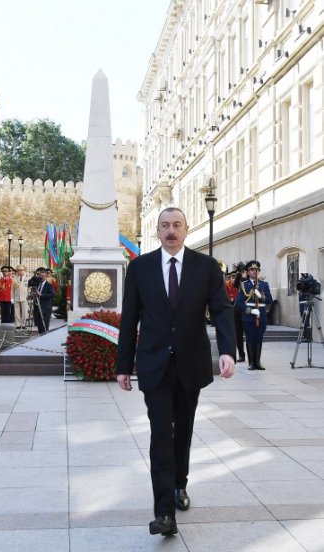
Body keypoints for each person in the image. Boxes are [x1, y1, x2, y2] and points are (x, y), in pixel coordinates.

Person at [116, 207, 236, 537]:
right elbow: (130, 319)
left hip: (190, 363)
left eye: (177, 225)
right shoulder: (140, 267)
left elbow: (223, 311)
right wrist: (123, 365)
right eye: (165, 226)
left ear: (187, 229)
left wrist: (227, 351)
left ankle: (179, 484)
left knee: (182, 430)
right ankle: (164, 512)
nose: (171, 231)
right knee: (159, 434)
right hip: (154, 365)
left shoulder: (207, 267)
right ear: (156, 231)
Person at [235, 260, 273, 370]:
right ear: (247, 272)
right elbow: (239, 304)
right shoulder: (244, 285)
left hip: (261, 316)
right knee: (250, 338)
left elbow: (269, 300)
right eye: (252, 270)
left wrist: (261, 296)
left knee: (259, 338)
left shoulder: (264, 285)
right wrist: (250, 311)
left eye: (256, 270)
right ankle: (251, 363)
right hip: (248, 317)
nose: (254, 271)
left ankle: (258, 362)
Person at [34, 267, 54, 333]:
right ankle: (40, 337)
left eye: (42, 276)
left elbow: (52, 294)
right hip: (38, 308)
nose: (40, 277)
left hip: (46, 308)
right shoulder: (38, 285)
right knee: (39, 324)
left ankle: (45, 337)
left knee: (44, 325)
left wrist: (41, 295)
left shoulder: (49, 285)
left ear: (45, 276)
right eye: (39, 276)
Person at [13, 264, 29, 329]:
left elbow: (29, 287)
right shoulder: (14, 278)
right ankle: (18, 324)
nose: (20, 272)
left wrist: (29, 295)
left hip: (25, 296)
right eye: (19, 270)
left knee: (24, 312)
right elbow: (13, 288)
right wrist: (12, 297)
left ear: (24, 271)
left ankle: (24, 324)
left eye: (22, 270)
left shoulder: (28, 278)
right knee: (16, 312)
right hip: (16, 296)